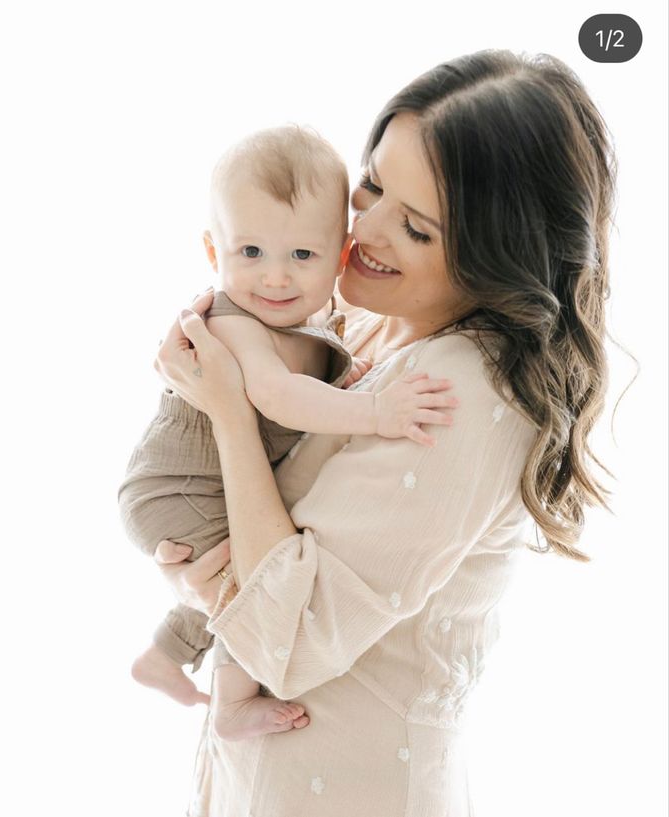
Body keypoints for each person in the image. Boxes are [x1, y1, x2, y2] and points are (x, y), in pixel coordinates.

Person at [127, 49, 617, 816]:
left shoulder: (462, 391)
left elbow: (283, 640)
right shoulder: (374, 324)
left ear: (497, 256)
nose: (365, 229)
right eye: (375, 185)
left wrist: (226, 410)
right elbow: (257, 552)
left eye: (416, 227)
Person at [118, 125, 458, 741]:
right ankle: (228, 705)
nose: (275, 278)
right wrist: (377, 411)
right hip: (179, 486)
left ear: (341, 252)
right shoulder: (235, 321)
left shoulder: (315, 322)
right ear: (213, 252)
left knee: (236, 571)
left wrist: (347, 375)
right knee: (253, 586)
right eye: (250, 253)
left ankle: (165, 655)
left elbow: (312, 383)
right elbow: (277, 396)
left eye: (302, 256)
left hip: (198, 487)